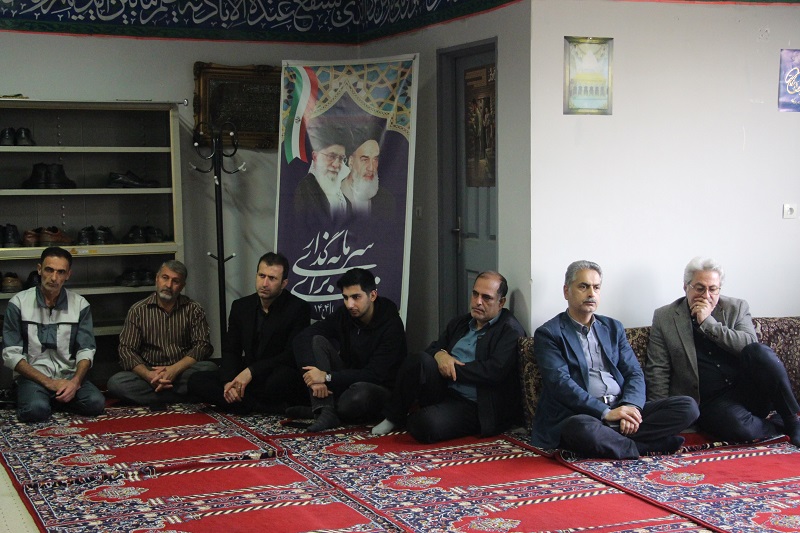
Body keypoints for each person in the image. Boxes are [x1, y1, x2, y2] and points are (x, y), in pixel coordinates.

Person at [531, 260, 698, 459]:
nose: (591, 293)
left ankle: (617, 439)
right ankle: (645, 446)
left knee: (688, 407)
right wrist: (605, 412)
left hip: (619, 405)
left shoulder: (612, 327)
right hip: (581, 414)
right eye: (583, 286)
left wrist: (630, 408)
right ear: (566, 291)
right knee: (582, 429)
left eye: (596, 287)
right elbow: (560, 384)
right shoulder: (549, 333)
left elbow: (634, 373)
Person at [645, 257, 800, 447]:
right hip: (711, 403)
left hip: (748, 389)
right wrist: (663, 415)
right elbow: (658, 369)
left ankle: (792, 422)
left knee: (759, 352)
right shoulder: (665, 317)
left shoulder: (736, 307)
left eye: (713, 289)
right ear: (686, 287)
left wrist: (708, 323)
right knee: (739, 428)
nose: (706, 296)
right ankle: (776, 426)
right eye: (699, 288)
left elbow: (749, 344)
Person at [372, 271, 526, 443]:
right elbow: (432, 349)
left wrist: (451, 368)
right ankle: (394, 417)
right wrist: (440, 356)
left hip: (476, 405)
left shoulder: (509, 330)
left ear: (501, 302)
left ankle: (421, 416)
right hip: (445, 390)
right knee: (418, 360)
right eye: (475, 294)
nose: (478, 302)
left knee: (423, 424)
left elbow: (493, 371)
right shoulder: (461, 323)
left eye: (486, 297)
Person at [187, 252, 310, 414]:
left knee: (281, 380)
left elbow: (290, 355)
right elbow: (231, 349)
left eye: (272, 278)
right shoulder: (241, 306)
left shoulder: (298, 308)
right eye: (261, 276)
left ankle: (240, 403)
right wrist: (228, 383)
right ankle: (256, 405)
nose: (264, 283)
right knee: (196, 380)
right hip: (247, 375)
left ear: (284, 283)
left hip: (274, 372)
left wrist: (251, 371)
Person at [291, 267, 406, 432]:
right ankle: (326, 410)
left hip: (378, 388)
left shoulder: (391, 325)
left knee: (358, 396)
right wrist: (314, 378)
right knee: (317, 340)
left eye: (356, 297)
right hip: (346, 380)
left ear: (373, 295)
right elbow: (303, 337)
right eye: (345, 298)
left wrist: (326, 377)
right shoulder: (345, 314)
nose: (350, 304)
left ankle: (322, 410)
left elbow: (374, 374)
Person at [2, 247, 105, 422]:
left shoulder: (80, 305)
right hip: (33, 377)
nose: (54, 277)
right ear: (39, 269)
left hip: (68, 376)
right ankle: (43, 398)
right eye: (49, 270)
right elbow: (11, 354)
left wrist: (75, 382)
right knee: (36, 411)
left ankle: (53, 398)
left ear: (68, 275)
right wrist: (49, 383)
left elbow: (86, 350)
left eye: (61, 272)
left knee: (96, 403)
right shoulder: (19, 303)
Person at [107, 260, 215, 407]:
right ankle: (183, 396)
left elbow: (202, 346)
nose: (168, 285)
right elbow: (126, 350)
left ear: (182, 286)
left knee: (209, 369)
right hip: (150, 373)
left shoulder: (193, 309)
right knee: (116, 383)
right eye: (165, 278)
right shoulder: (138, 310)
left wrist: (174, 370)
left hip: (182, 371)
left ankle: (158, 397)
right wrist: (149, 375)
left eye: (175, 281)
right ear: (157, 279)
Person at [293, 124, 350, 229]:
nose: (336, 164)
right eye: (331, 156)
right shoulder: (305, 190)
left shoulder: (344, 199)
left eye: (341, 158)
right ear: (315, 157)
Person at [340, 137, 395, 222]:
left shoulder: (386, 200)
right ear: (351, 162)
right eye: (365, 160)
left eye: (375, 160)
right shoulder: (332, 196)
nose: (371, 168)